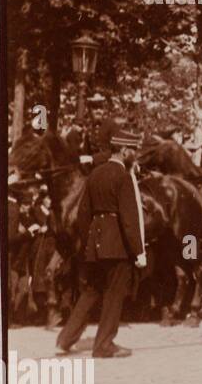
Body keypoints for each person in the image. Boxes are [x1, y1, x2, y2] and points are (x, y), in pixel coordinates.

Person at [55, 124, 146, 358]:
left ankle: (65, 339)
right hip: (117, 246)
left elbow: (83, 213)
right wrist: (138, 251)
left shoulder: (95, 174)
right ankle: (104, 345)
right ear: (125, 151)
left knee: (91, 291)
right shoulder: (123, 177)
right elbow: (129, 218)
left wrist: (89, 242)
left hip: (95, 244)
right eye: (133, 150)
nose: (135, 154)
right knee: (114, 293)